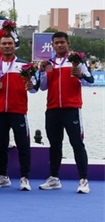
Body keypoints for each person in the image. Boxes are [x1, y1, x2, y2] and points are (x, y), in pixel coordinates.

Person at [37, 32, 93, 194]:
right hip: (53, 109)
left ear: (68, 43)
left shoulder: (76, 61)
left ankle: (83, 180)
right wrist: (41, 71)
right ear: (52, 45)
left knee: (77, 144)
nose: (59, 45)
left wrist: (80, 75)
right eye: (56, 43)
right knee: (55, 145)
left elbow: (90, 82)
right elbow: (42, 87)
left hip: (72, 109)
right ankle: (54, 178)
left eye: (62, 42)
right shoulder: (49, 63)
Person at [0, 34, 37, 191]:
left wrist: (30, 84)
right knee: (1, 144)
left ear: (14, 45)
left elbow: (34, 87)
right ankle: (2, 176)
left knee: (23, 144)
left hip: (18, 110)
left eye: (10, 43)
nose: (7, 46)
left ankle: (24, 178)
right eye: (4, 44)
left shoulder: (25, 66)